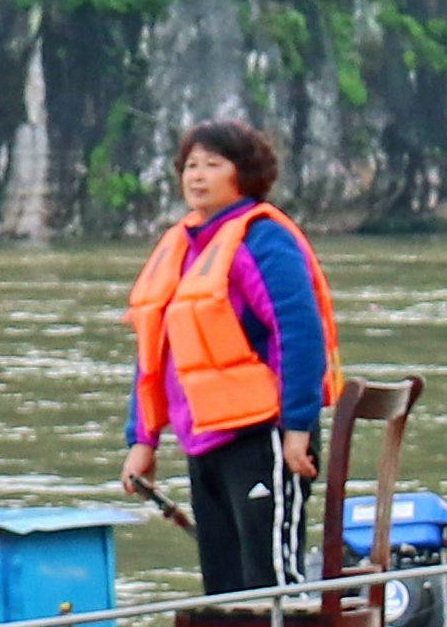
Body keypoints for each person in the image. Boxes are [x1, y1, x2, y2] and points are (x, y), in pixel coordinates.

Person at [117, 119, 338, 602]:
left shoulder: (262, 240)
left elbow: (299, 333)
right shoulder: (182, 247)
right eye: (190, 166)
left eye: (213, 165)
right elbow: (153, 353)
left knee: (271, 581)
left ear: (243, 173)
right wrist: (142, 440)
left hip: (263, 436)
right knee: (225, 589)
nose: (197, 176)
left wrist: (297, 426)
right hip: (205, 439)